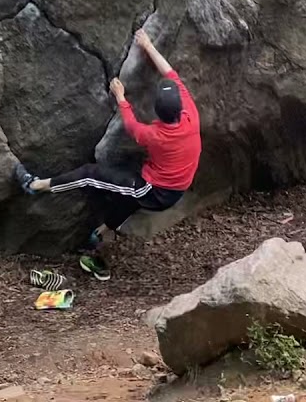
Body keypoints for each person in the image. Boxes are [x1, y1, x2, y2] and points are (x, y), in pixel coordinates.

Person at [13, 29, 200, 281]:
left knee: (92, 175)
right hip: (175, 186)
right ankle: (99, 235)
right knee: (127, 199)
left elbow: (131, 125)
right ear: (179, 107)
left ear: (158, 114)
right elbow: (170, 73)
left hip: (156, 191)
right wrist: (148, 45)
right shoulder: (191, 115)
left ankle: (35, 185)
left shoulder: (154, 135)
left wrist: (120, 96)